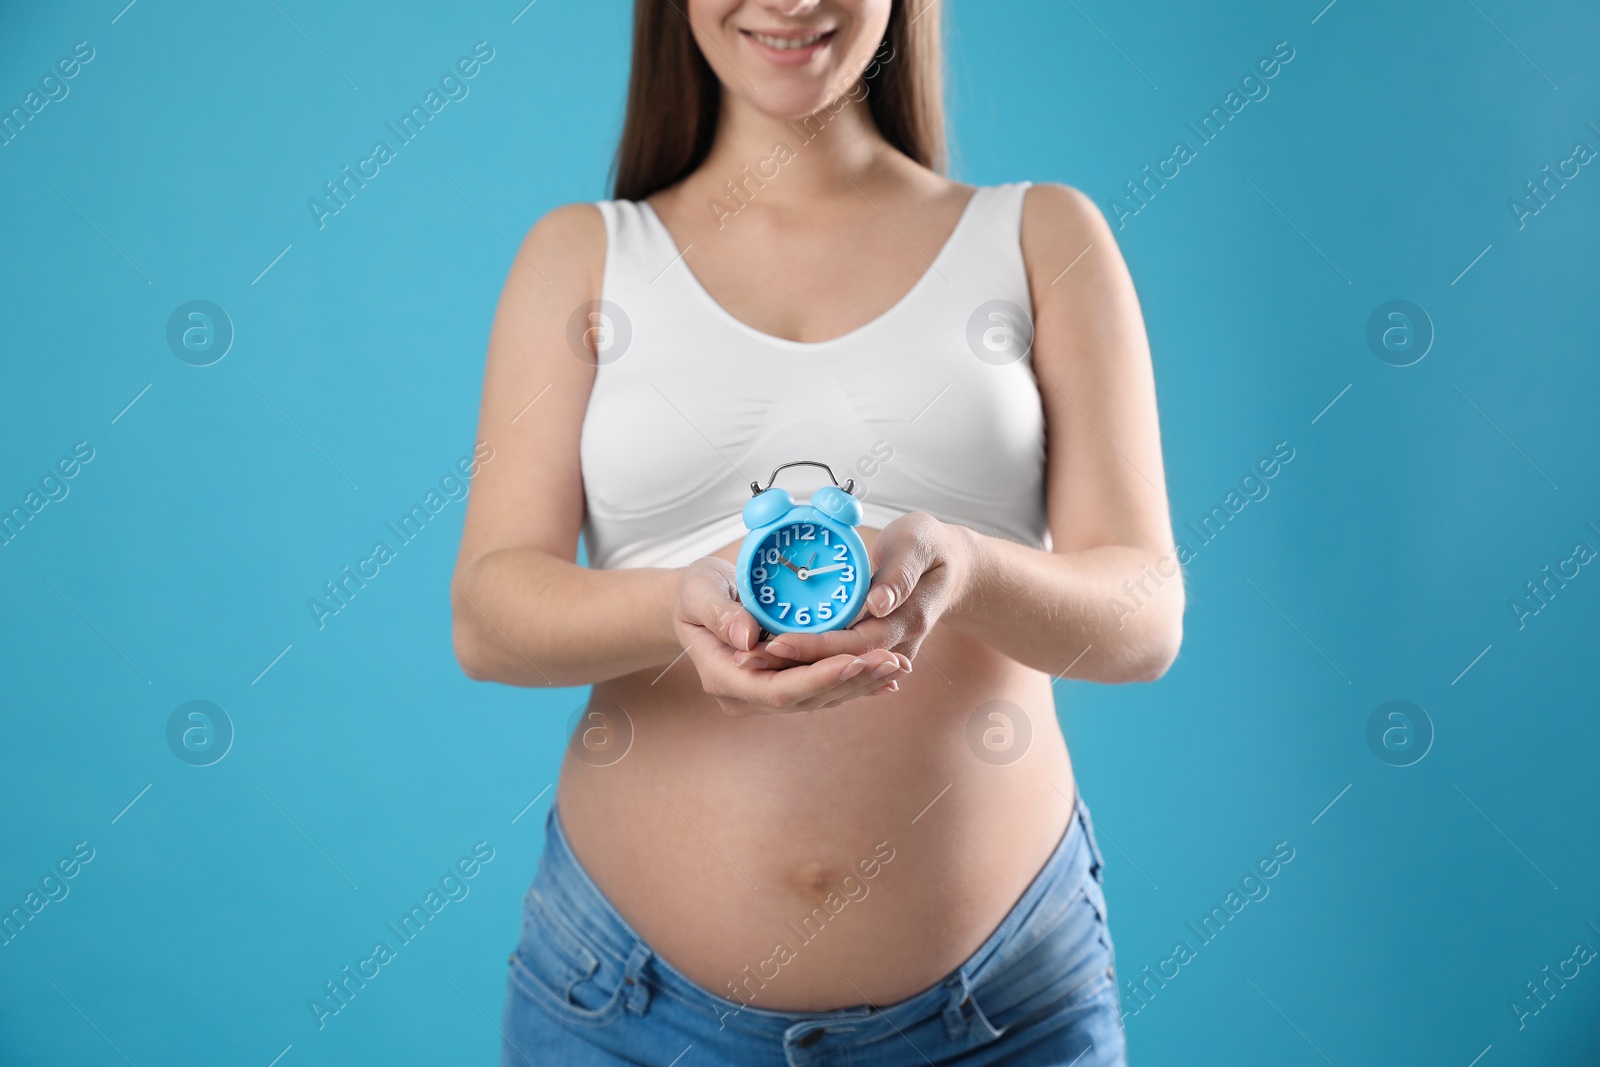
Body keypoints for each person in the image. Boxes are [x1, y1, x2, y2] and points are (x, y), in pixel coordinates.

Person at [450, 0, 1183, 1062]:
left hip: (1003, 1014)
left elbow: (1141, 618)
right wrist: (674, 601)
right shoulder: (584, 258)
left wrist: (968, 565)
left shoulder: (1042, 237)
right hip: (626, 1010)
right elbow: (489, 612)